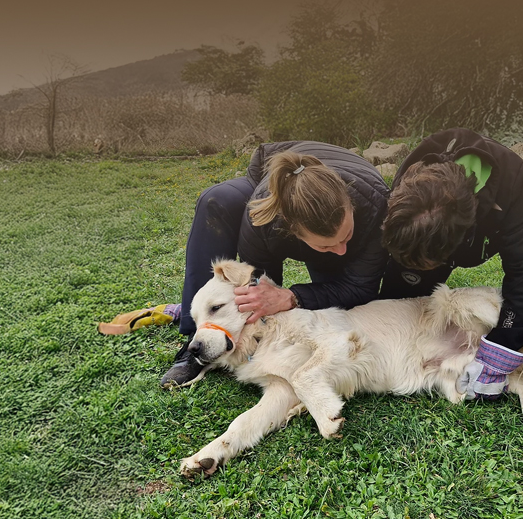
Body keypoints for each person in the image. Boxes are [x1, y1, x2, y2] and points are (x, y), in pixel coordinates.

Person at [161, 141, 390, 388]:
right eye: (325, 246)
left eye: (347, 236)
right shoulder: (263, 222)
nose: (341, 250)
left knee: (337, 305)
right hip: (265, 175)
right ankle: (195, 341)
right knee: (216, 200)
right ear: (292, 232)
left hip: (360, 190)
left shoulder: (377, 206)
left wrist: (293, 297)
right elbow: (259, 287)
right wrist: (264, 300)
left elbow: (360, 288)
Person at [379, 128, 523, 400]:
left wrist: (496, 357)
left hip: (504, 214)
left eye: (424, 262)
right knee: (401, 299)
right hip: (432, 227)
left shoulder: (512, 181)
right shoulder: (408, 185)